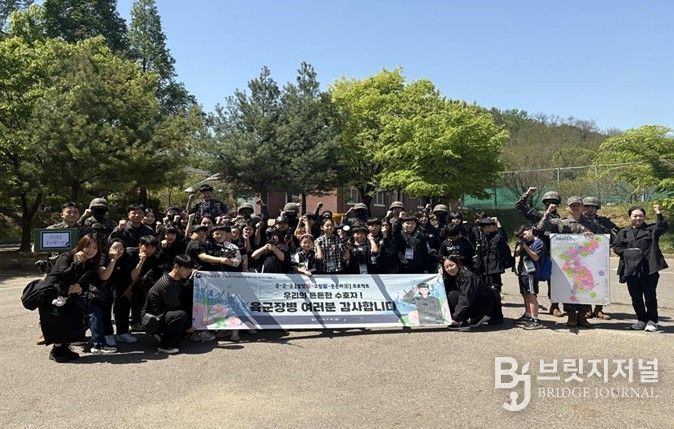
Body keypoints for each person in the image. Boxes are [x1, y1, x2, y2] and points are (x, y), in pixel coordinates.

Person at [537, 196, 604, 328]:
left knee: (585, 287)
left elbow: (604, 240)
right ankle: (572, 316)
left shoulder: (592, 223)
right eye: (572, 205)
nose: (575, 207)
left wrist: (593, 237)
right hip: (566, 263)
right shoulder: (560, 222)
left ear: (582, 207)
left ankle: (582, 316)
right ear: (567, 208)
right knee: (568, 289)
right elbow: (540, 227)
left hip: (585, 262)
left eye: (578, 205)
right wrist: (547, 213)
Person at [38, 234, 101, 362]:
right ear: (81, 246)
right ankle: (58, 352)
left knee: (70, 322)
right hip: (52, 294)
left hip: (66, 297)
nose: (91, 250)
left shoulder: (90, 263)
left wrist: (80, 288)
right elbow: (63, 275)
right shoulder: (67, 256)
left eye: (95, 248)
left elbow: (86, 282)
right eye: (88, 246)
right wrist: (76, 263)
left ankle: (63, 349)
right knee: (57, 323)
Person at [612, 205, 668, 332]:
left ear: (644, 217)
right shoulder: (624, 232)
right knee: (635, 296)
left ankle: (652, 320)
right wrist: (627, 253)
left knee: (650, 296)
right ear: (630, 217)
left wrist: (658, 213)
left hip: (649, 269)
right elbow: (616, 246)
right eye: (635, 216)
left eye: (641, 216)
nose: (638, 218)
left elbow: (663, 227)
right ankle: (641, 320)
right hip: (631, 269)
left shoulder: (651, 229)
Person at [515, 187, 563, 317]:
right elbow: (519, 206)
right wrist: (528, 194)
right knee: (532, 280)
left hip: (552, 253)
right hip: (534, 251)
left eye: (554, 202)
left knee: (553, 280)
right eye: (548, 202)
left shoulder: (560, 220)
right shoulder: (537, 215)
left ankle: (555, 305)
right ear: (544, 203)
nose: (551, 204)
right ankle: (531, 308)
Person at [143, 255, 195, 354]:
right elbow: (174, 307)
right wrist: (189, 324)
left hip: (162, 314)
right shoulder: (167, 283)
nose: (188, 272)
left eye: (190, 269)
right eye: (186, 269)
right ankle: (164, 345)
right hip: (153, 319)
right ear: (176, 266)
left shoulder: (175, 278)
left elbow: (183, 291)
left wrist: (191, 278)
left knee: (185, 308)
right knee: (180, 315)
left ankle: (168, 337)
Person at [582, 196, 620, 320]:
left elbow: (616, 234)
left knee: (600, 282)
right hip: (583, 255)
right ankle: (587, 309)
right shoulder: (579, 220)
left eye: (593, 207)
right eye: (587, 206)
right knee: (585, 282)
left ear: (597, 208)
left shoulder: (604, 221)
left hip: (600, 255)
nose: (590, 209)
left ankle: (599, 309)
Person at [442, 256, 503, 331]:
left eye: (451, 265)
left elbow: (465, 299)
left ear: (458, 264)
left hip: (484, 305)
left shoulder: (468, 277)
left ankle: (465, 321)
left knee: (452, 295)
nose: (450, 269)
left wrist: (456, 318)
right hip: (475, 301)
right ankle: (473, 317)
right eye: (446, 267)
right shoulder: (451, 277)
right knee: (450, 294)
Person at [98, 239, 137, 344]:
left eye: (121, 249)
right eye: (115, 248)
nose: (118, 251)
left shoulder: (126, 258)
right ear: (108, 248)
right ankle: (107, 334)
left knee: (123, 304)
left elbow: (128, 276)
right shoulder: (102, 257)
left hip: (119, 284)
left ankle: (122, 333)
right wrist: (113, 260)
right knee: (105, 307)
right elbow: (103, 276)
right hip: (104, 285)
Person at [513, 225, 545, 330]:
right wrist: (519, 246)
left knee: (531, 295)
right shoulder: (524, 242)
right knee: (525, 294)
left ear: (530, 230)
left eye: (525, 234)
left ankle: (535, 319)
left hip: (531, 272)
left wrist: (525, 247)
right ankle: (528, 315)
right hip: (522, 271)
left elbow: (535, 257)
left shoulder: (538, 242)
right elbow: (516, 254)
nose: (524, 237)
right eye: (522, 236)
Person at [473, 217, 512, 295]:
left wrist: (498, 224)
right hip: (483, 266)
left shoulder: (498, 236)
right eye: (484, 227)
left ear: (494, 226)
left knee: (495, 288)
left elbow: (504, 238)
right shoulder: (482, 236)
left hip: (495, 266)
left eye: (489, 226)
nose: (486, 228)